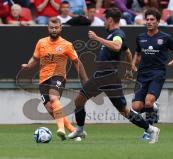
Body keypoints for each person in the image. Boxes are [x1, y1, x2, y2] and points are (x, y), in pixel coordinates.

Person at [68, 7, 160, 144]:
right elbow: (128, 52)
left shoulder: (117, 34)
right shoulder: (113, 35)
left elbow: (117, 47)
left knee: (81, 101)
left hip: (107, 76)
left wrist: (96, 38)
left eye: (105, 20)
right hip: (104, 76)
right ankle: (151, 129)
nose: (104, 22)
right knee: (121, 110)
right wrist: (130, 68)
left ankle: (151, 129)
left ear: (110, 20)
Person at [21, 17, 88, 140]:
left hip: (58, 76)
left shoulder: (67, 45)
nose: (54, 30)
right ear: (48, 28)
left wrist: (85, 80)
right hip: (43, 79)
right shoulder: (41, 42)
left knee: (53, 98)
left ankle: (60, 129)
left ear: (60, 28)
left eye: (56, 27)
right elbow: (35, 58)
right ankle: (73, 131)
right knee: (50, 108)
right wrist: (28, 65)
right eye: (51, 27)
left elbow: (77, 62)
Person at [131, 8, 173, 140]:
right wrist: (132, 65)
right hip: (142, 75)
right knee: (135, 107)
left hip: (157, 73)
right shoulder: (140, 38)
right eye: (147, 19)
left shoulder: (165, 38)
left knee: (148, 102)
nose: (149, 22)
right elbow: (137, 54)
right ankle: (154, 108)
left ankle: (148, 132)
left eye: (152, 19)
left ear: (158, 22)